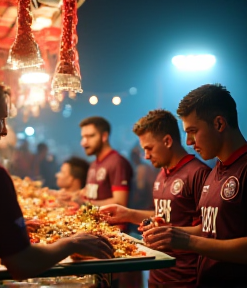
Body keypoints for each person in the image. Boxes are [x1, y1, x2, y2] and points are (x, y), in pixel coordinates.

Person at [0, 73, 114, 287]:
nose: (4, 130)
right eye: (2, 119)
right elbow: (22, 265)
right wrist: (71, 243)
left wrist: (2, 230)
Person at [143, 84, 247, 287]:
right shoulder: (216, 169)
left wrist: (189, 242)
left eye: (193, 131)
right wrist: (171, 232)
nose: (189, 142)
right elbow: (209, 231)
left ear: (219, 124)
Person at [100, 109, 211, 288]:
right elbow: (163, 215)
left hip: (185, 277)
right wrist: (127, 214)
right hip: (156, 272)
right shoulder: (161, 173)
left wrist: (170, 232)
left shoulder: (198, 173)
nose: (146, 155)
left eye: (149, 148)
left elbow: (208, 231)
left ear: (167, 141)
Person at [79, 116, 133, 207]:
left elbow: (120, 202)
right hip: (92, 220)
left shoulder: (117, 162)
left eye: (90, 136)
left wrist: (85, 203)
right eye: (83, 137)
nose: (83, 142)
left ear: (104, 136)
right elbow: (89, 193)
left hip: (110, 221)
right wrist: (68, 196)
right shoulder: (94, 164)